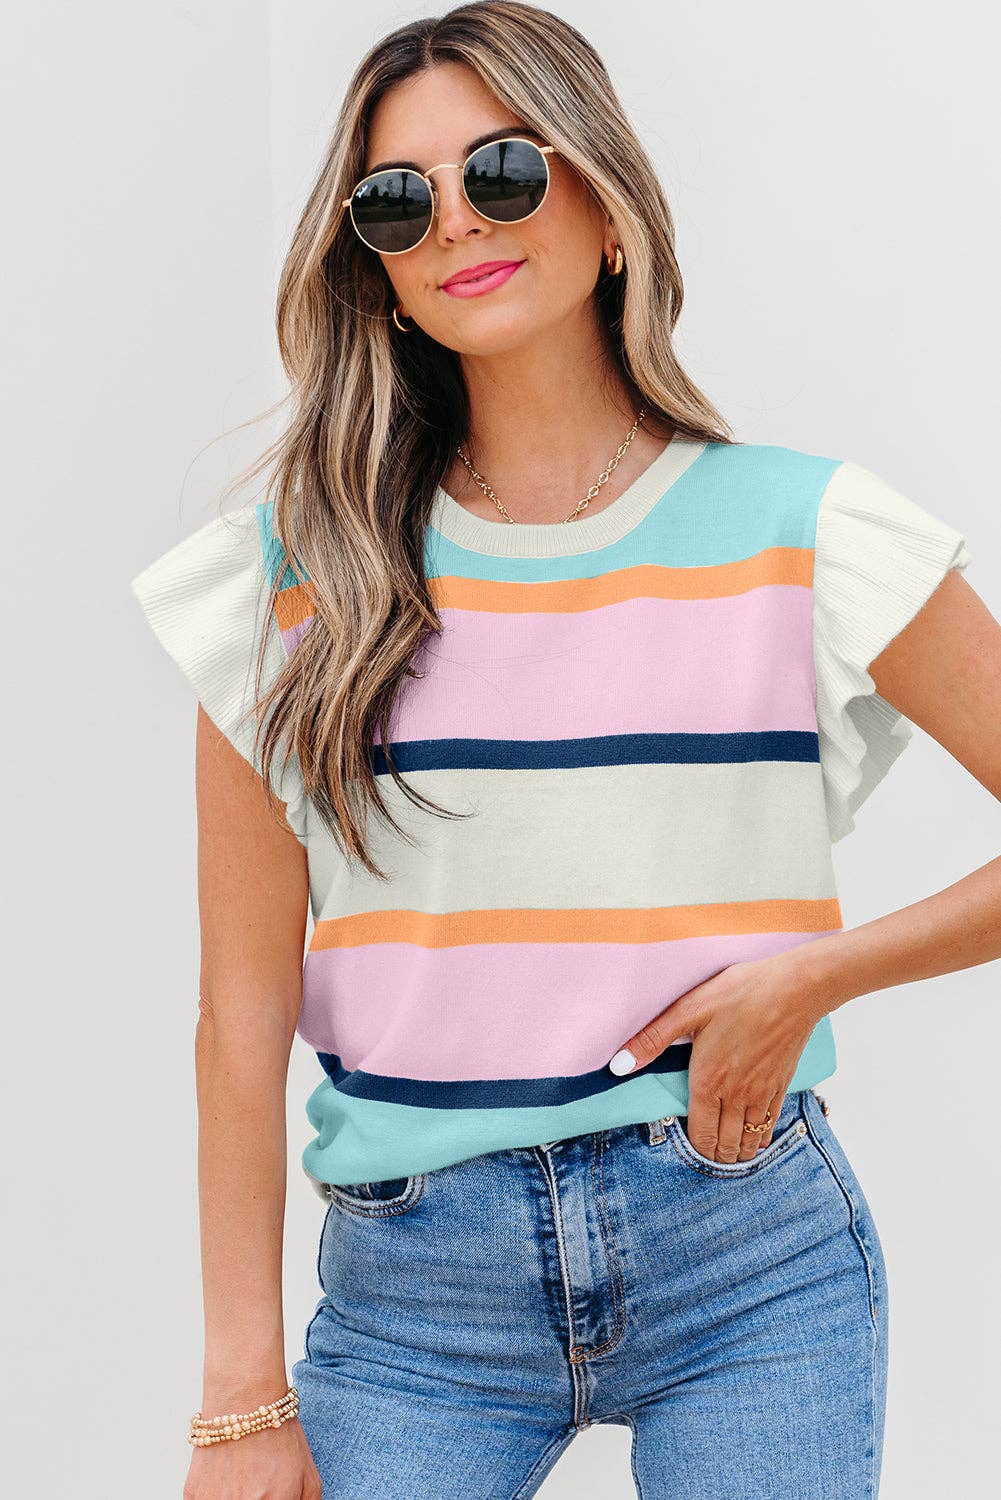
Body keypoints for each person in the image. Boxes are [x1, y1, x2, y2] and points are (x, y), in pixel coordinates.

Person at [130, 4, 1001, 1497]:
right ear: (377, 272)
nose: (456, 221)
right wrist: (237, 1398)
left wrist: (814, 976)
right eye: (398, 202)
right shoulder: (296, 576)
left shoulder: (807, 529)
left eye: (503, 170)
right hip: (414, 1307)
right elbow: (240, 1016)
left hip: (749, 1261)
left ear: (606, 207)